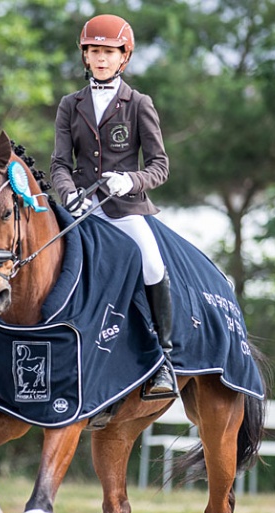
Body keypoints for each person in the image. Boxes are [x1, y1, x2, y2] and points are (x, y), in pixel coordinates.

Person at [50, 14, 175, 397]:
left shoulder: (139, 104)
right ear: (84, 57)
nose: (101, 59)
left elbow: (160, 165)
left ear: (124, 57)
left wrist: (131, 180)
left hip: (125, 208)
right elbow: (59, 163)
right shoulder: (70, 105)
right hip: (83, 209)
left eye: (108, 52)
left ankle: (163, 359)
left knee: (152, 264)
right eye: (94, 52)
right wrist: (67, 192)